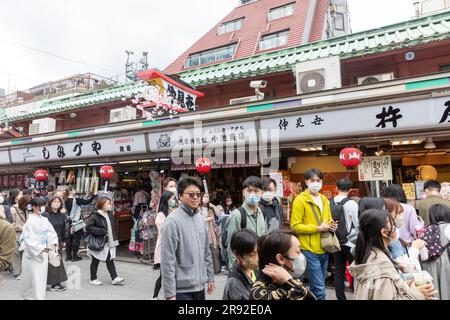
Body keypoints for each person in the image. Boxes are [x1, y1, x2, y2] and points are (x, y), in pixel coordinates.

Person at [348, 209, 437, 300]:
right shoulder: (380, 265)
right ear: (384, 232)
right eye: (394, 226)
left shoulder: (370, 255)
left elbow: (379, 292)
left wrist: (404, 287)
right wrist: (417, 294)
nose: (396, 229)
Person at [161, 177, 214, 300]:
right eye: (191, 194)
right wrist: (170, 294)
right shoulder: (172, 222)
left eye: (198, 194)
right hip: (181, 291)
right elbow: (167, 261)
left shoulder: (200, 219)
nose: (195, 197)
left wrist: (210, 277)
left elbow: (207, 252)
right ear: (180, 196)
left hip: (200, 287)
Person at [290, 168, 337, 300]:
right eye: (312, 180)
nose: (316, 183)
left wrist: (332, 225)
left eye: (318, 180)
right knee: (320, 290)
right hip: (309, 249)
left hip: (324, 247)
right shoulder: (300, 200)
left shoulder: (323, 199)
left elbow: (328, 219)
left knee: (316, 287)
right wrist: (317, 228)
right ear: (306, 181)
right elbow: (295, 226)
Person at [250, 230, 316, 300]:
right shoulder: (260, 294)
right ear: (281, 258)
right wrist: (289, 283)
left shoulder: (289, 279)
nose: (302, 256)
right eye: (298, 252)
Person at [20, 197, 59, 300]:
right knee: (29, 279)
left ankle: (38, 298)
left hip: (43, 253)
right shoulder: (29, 222)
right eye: (40, 206)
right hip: (32, 254)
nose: (42, 208)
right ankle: (28, 297)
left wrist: (53, 243)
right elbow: (28, 240)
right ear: (33, 207)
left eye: (43, 206)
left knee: (40, 280)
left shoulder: (45, 220)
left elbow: (51, 233)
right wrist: (41, 248)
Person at [226, 176, 267, 270]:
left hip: (258, 266)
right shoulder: (237, 215)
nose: (252, 194)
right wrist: (234, 271)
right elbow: (231, 247)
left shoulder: (262, 213)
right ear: (243, 192)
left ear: (261, 193)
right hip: (243, 268)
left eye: (256, 191)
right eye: (249, 191)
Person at [331, 178, 359, 300]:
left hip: (335, 241)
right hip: (350, 242)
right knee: (356, 270)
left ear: (337, 188)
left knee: (338, 272)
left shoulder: (329, 202)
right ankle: (357, 294)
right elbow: (357, 224)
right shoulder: (352, 203)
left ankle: (340, 298)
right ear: (350, 189)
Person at [86, 197, 124, 286]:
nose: (110, 205)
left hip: (109, 240)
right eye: (108, 203)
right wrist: (101, 231)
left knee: (109, 259)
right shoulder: (95, 215)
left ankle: (114, 277)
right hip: (100, 241)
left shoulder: (110, 214)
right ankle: (93, 278)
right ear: (102, 205)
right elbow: (89, 227)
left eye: (110, 203)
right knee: (96, 260)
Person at [421, 204, 450, 300]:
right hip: (445, 263)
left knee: (437, 290)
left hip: (430, 265)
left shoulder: (427, 230)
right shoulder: (448, 227)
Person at [223, 229, 259, 300]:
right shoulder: (234, 284)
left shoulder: (255, 269)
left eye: (258, 252)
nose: (257, 258)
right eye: (252, 255)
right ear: (237, 254)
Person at [152, 190, 176, 299]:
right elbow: (163, 230)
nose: (174, 200)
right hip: (163, 247)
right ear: (166, 200)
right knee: (163, 275)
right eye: (172, 199)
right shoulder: (161, 215)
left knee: (168, 275)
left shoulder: (171, 211)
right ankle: (155, 296)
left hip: (171, 247)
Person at [43, 196, 68, 292]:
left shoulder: (62, 215)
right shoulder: (45, 215)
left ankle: (55, 283)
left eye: (58, 201)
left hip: (58, 242)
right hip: (48, 242)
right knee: (50, 263)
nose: (57, 203)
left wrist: (64, 241)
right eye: (54, 201)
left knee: (57, 262)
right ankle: (54, 283)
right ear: (50, 203)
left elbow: (63, 229)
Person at [65, 188, 96, 261]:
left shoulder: (66, 200)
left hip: (70, 220)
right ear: (71, 191)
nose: (75, 190)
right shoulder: (76, 200)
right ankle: (75, 256)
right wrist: (93, 196)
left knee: (70, 238)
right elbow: (87, 201)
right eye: (73, 190)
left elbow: (81, 201)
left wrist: (86, 195)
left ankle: (68, 256)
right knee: (76, 238)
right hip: (77, 220)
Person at [10, 194, 31, 280]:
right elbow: (11, 224)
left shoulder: (27, 210)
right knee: (16, 253)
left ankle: (23, 271)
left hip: (25, 235)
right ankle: (17, 272)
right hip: (14, 234)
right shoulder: (13, 210)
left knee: (24, 253)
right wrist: (21, 227)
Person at [201, 193, 222, 274]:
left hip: (210, 231)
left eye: (208, 197)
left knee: (212, 249)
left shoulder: (210, 207)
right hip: (202, 230)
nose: (206, 198)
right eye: (205, 196)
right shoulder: (198, 207)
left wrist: (213, 206)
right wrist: (207, 219)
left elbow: (219, 214)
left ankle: (214, 268)